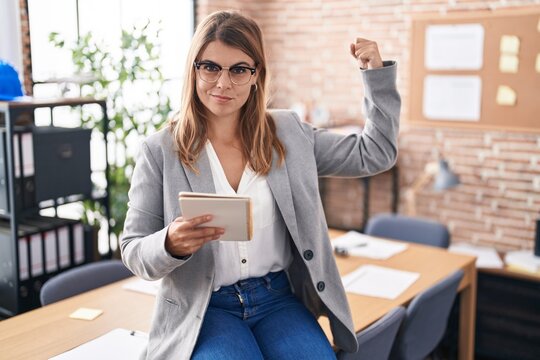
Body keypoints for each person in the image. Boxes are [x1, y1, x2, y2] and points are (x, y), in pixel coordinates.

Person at [121, 9, 400, 360]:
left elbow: (375, 153)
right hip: (207, 308)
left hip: (278, 299)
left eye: (238, 70)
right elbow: (133, 249)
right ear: (193, 70)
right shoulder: (160, 150)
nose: (223, 83)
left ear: (256, 76)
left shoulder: (288, 133)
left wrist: (375, 77)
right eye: (210, 67)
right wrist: (170, 243)